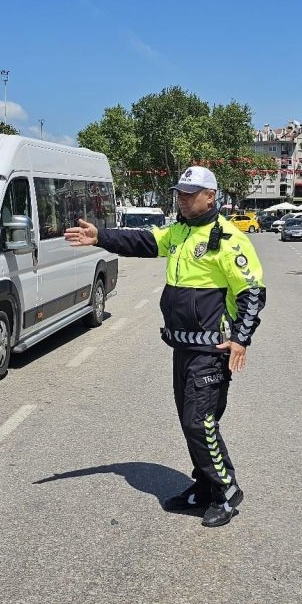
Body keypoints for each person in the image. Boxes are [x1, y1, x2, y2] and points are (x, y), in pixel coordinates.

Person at [64, 166, 266, 527]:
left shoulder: (230, 239)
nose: (183, 199)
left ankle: (226, 490)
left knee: (199, 421)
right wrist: (100, 237)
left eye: (191, 193)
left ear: (211, 196)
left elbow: (252, 294)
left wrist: (241, 339)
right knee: (192, 422)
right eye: (180, 193)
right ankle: (203, 488)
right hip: (183, 346)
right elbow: (142, 241)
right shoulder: (178, 232)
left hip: (212, 349)